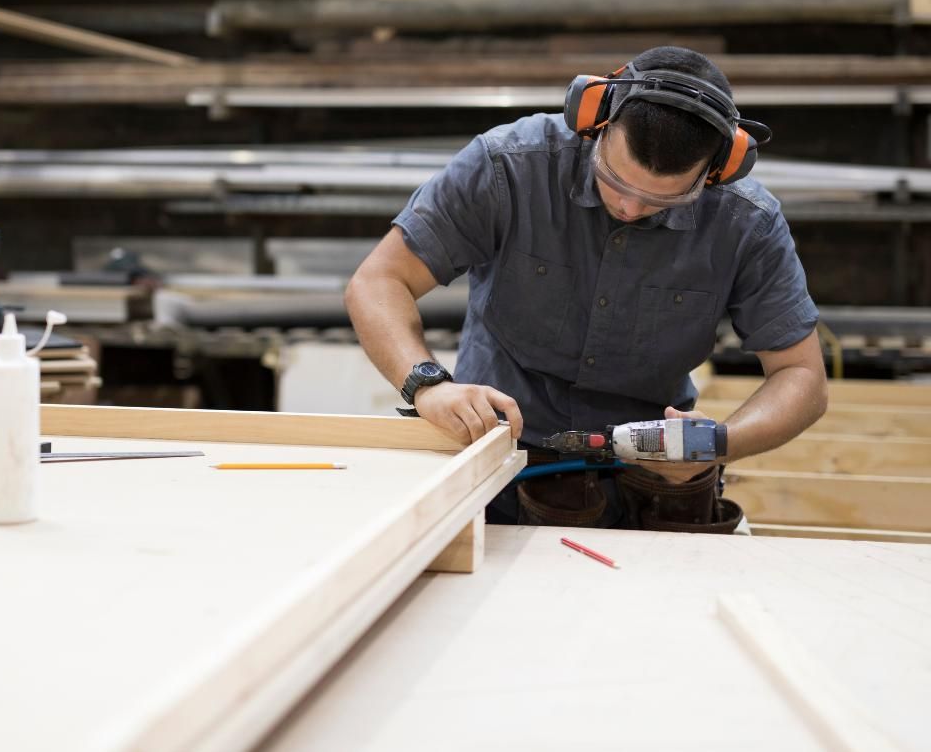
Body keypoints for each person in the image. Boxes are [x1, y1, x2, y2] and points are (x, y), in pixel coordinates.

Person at [344, 46, 828, 532]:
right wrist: (427, 385)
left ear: (719, 170)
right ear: (595, 121)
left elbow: (801, 377)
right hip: (495, 461)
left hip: (645, 482)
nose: (630, 208)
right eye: (614, 179)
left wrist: (719, 444)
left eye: (666, 198)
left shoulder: (747, 223)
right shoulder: (509, 167)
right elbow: (379, 280)